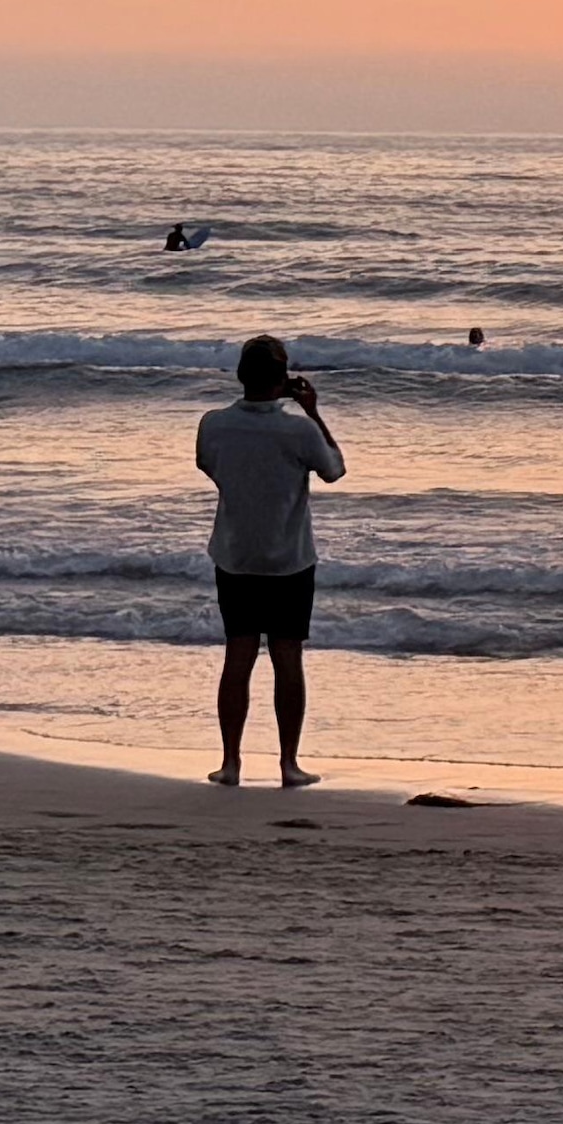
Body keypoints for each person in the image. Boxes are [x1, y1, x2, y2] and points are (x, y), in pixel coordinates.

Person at [196, 336, 344, 787]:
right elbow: (334, 468)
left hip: (236, 553)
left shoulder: (214, 424)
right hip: (288, 558)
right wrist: (313, 411)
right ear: (283, 379)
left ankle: (231, 763)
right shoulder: (298, 430)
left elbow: (208, 466)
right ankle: (288, 763)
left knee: (238, 655)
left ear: (241, 376)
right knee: (287, 658)